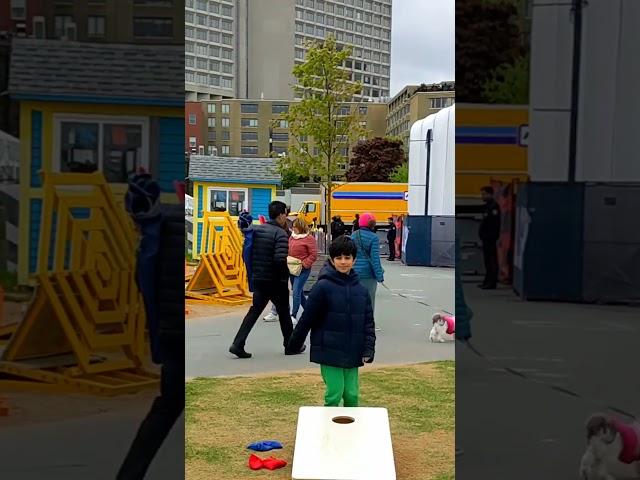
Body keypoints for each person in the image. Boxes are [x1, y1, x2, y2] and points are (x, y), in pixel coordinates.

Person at [117, 175, 184, 479]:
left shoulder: (156, 233)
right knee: (170, 406)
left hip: (171, 333)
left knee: (166, 408)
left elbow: (146, 288)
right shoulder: (175, 226)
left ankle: (130, 474)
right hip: (180, 333)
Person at [287, 235, 376, 407]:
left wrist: (368, 349)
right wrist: (294, 343)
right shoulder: (322, 287)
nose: (343, 262)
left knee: (351, 394)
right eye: (339, 258)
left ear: (354, 260)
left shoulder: (361, 291)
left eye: (347, 257)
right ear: (332, 260)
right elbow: (307, 318)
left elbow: (368, 324)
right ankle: (327, 430)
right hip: (328, 350)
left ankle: (351, 430)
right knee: (334, 393)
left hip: (353, 350)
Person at [230, 201, 306, 358]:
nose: (286, 217)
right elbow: (280, 259)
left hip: (259, 278)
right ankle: (290, 346)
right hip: (275, 280)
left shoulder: (257, 229)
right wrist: (285, 277)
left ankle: (238, 344)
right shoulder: (281, 234)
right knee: (284, 312)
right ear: (280, 215)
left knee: (254, 311)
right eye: (285, 213)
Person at [350, 212, 384, 315]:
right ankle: (367, 323)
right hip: (368, 274)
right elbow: (375, 259)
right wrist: (379, 275)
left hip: (354, 272)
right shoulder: (374, 237)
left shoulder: (354, 235)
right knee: (369, 300)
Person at [288, 217, 318, 325]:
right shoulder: (292, 237)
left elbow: (313, 255)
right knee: (299, 292)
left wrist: (305, 264)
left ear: (300, 227)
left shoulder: (309, 239)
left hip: (303, 269)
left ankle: (293, 314)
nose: (293, 228)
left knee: (296, 291)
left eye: (295, 226)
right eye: (293, 226)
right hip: (292, 268)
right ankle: (309, 311)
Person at [478, 186, 501, 290]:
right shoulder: (487, 206)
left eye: (484, 194)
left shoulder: (494, 207)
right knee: (487, 261)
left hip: (490, 238)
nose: (482, 196)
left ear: (490, 194)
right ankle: (487, 281)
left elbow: (494, 224)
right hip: (486, 238)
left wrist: (491, 236)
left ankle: (492, 282)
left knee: (492, 260)